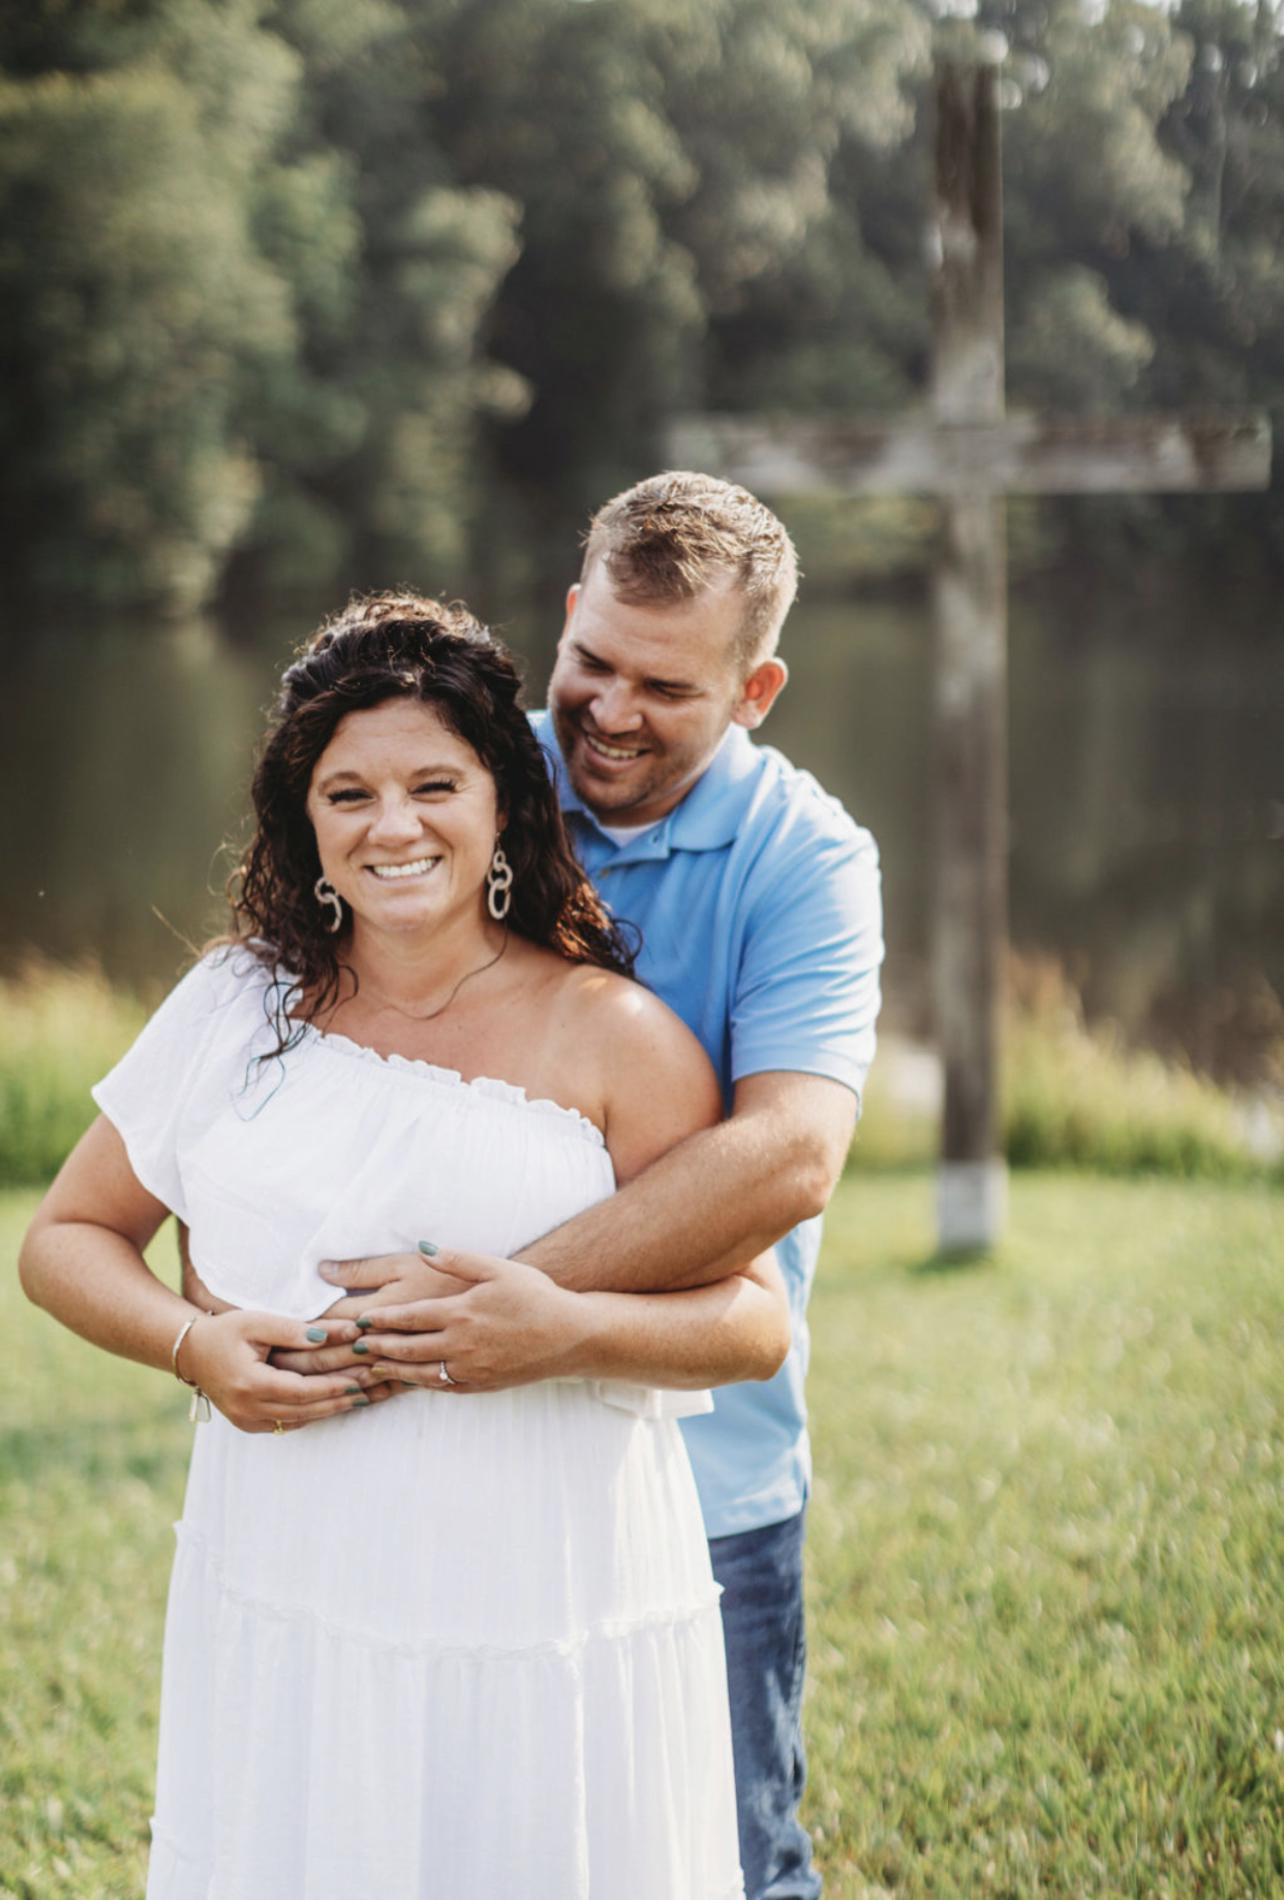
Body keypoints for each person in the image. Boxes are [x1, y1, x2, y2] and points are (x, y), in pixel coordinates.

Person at [20, 592, 799, 1899]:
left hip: (541, 1596)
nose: (392, 827)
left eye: (434, 784)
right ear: (305, 821)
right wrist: (192, 1342)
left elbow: (754, 1320)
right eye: (348, 795)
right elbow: (66, 1237)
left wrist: (566, 1329)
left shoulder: (615, 1036)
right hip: (291, 1581)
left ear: (504, 800)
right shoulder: (236, 1002)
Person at [273, 473, 884, 1899]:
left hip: (700, 1467)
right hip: (442, 1471)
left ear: (757, 689)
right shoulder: (463, 780)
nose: (605, 709)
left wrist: (516, 1299)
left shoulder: (806, 863)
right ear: (565, 616)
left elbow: (790, 1153)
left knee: (721, 1858)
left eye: (662, 685)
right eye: (591, 660)